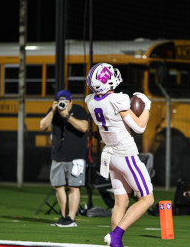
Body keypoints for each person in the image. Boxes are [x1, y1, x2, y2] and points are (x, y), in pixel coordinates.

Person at [85, 63, 154, 247]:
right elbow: (139, 127)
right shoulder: (118, 99)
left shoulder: (91, 101)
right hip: (125, 154)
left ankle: (116, 244)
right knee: (147, 199)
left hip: (109, 154)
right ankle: (116, 236)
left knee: (121, 202)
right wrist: (147, 106)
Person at [40, 90, 88, 227]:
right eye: (60, 102)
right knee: (58, 186)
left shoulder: (79, 110)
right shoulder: (54, 111)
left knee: (74, 186)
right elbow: (43, 126)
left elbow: (84, 127)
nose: (63, 104)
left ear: (71, 101)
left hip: (75, 156)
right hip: (58, 156)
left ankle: (71, 219)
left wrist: (67, 116)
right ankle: (64, 216)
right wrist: (53, 111)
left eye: (65, 102)